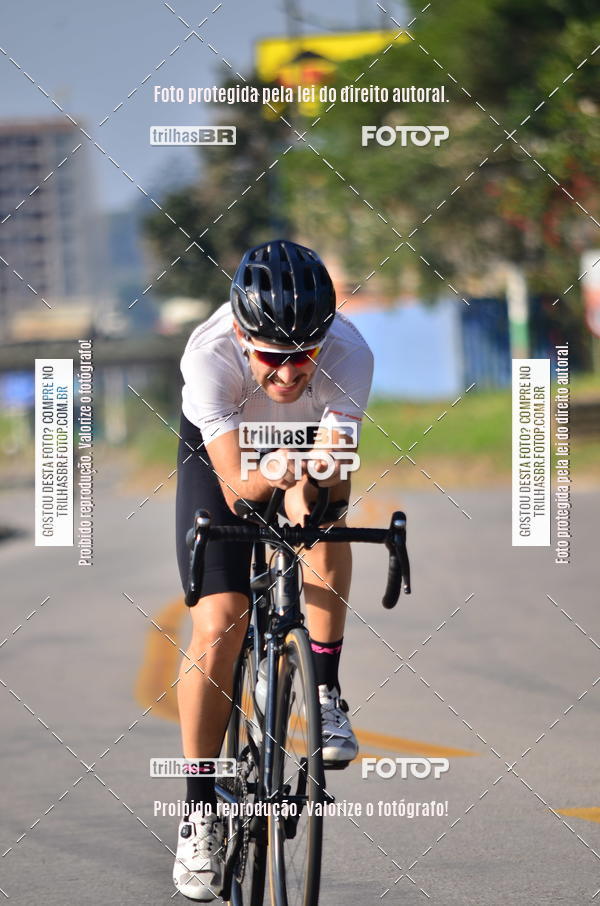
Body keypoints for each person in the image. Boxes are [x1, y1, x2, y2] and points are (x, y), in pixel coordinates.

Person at [172, 239, 374, 900]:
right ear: (240, 335)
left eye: (303, 357)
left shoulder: (350, 353)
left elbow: (334, 478)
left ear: (325, 341)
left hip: (302, 444)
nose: (289, 375)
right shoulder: (209, 358)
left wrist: (307, 489)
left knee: (324, 524)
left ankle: (325, 691)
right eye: (272, 357)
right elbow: (235, 488)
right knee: (220, 619)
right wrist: (269, 477)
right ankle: (199, 809)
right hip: (226, 456)